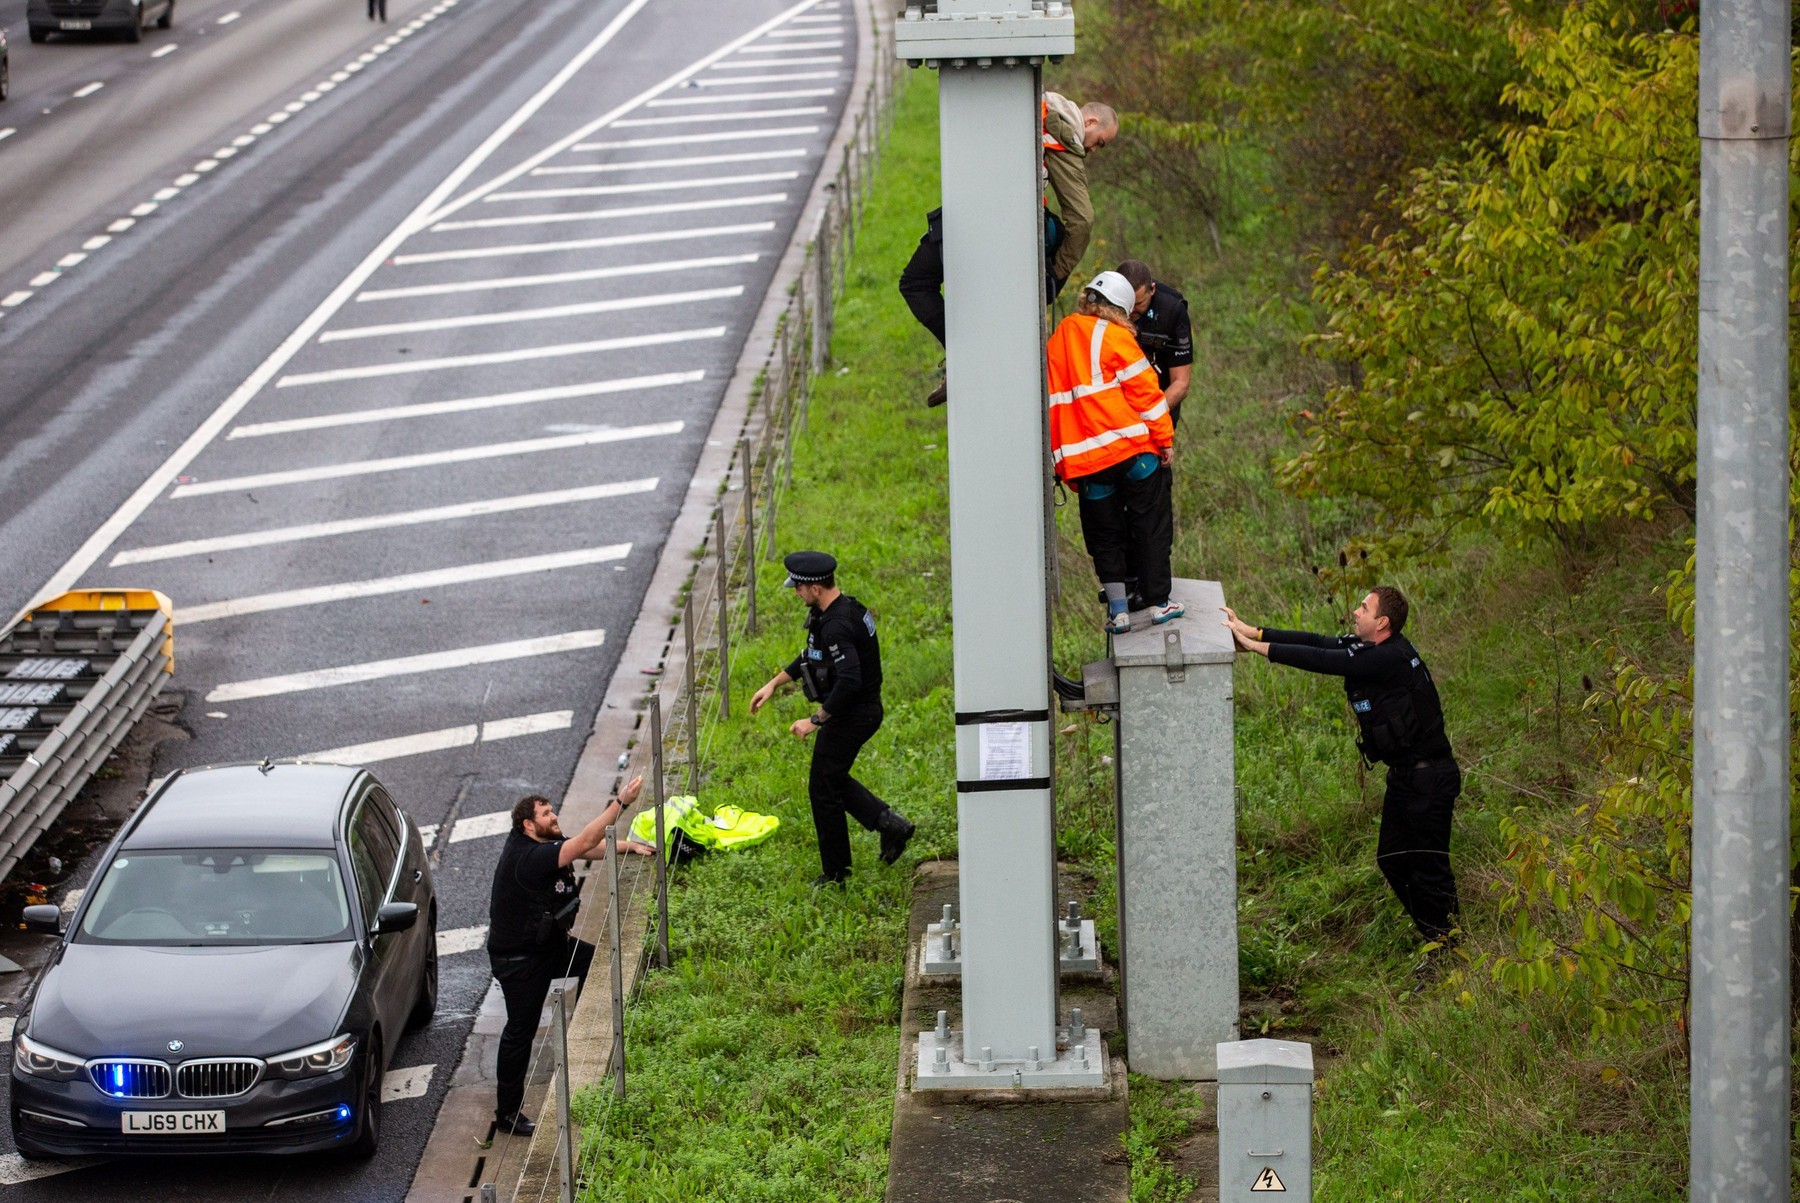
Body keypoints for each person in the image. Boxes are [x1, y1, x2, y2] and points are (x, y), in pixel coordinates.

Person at [1222, 587, 1462, 965]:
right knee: (1393, 859)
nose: (1355, 611)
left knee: (1429, 871)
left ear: (1381, 622)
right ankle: (1439, 940)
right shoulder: (1374, 650)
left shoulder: (1389, 660)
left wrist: (1255, 650)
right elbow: (1319, 642)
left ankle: (1451, 952)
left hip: (1429, 780)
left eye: (1363, 608)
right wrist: (1255, 632)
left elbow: (1322, 660)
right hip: (1406, 778)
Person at [898, 95, 1119, 406]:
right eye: (1101, 142)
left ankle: (962, 355)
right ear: (1091, 122)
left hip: (967, 208)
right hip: (1008, 227)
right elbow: (1082, 219)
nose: (1094, 150)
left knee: (916, 283)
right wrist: (1056, 272)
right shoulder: (1065, 134)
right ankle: (972, 359)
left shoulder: (1036, 100)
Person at [487, 782, 653, 1135]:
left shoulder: (543, 845)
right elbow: (582, 843)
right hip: (520, 962)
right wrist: (620, 803)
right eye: (546, 814)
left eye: (552, 810)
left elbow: (583, 849)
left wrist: (628, 847)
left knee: (599, 964)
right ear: (528, 826)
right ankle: (507, 1114)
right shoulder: (528, 857)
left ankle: (600, 1029)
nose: (554, 816)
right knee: (521, 1031)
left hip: (549, 947)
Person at [750, 551, 915, 885]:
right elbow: (811, 655)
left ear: (814, 587)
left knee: (823, 787)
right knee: (831, 778)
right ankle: (890, 825)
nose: (795, 592)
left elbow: (850, 680)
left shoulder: (838, 624)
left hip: (853, 715)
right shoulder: (831, 612)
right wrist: (774, 682)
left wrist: (816, 719)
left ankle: (836, 873)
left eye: (797, 587)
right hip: (852, 712)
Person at [1048, 270, 1180, 634]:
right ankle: (1159, 604)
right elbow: (1147, 396)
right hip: (1132, 451)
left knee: (1104, 536)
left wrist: (1059, 463)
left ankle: (1118, 613)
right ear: (1121, 309)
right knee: (1149, 525)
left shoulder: (1056, 341)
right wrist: (1164, 439)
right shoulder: (1116, 336)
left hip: (1086, 463)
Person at [1114, 260, 1193, 427]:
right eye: (1126, 305)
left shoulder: (1172, 310)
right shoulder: (1103, 304)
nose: (1131, 311)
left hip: (1158, 401)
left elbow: (1181, 382)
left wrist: (1150, 415)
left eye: (1138, 304)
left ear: (1152, 290)